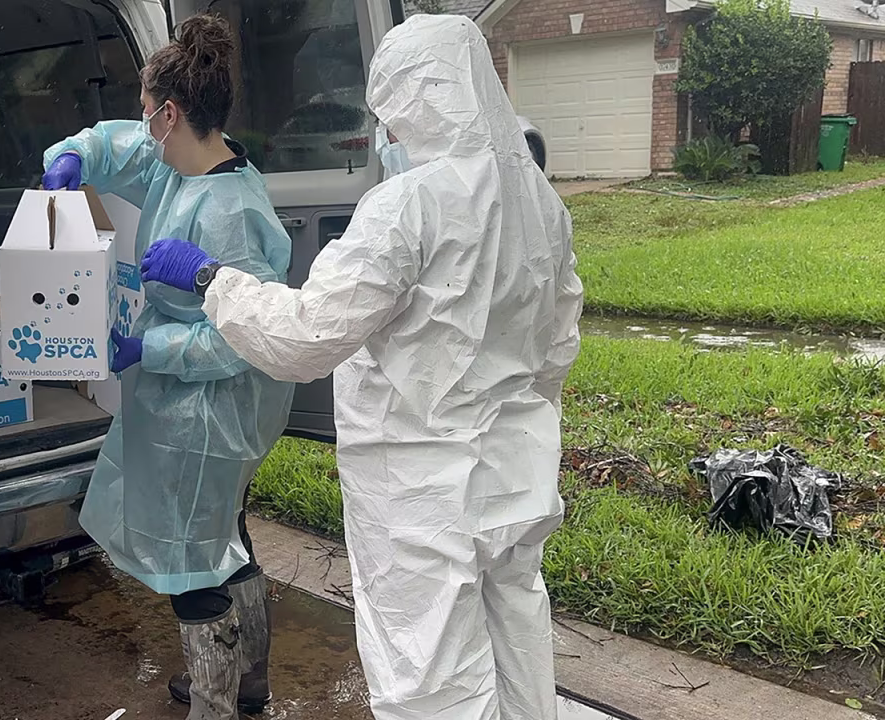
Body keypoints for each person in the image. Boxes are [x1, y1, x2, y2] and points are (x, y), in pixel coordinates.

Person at [140, 14, 583, 720]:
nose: (388, 135)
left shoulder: (408, 205)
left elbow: (307, 336)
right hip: (512, 471)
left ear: (415, 99)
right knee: (515, 639)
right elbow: (559, 346)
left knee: (429, 675)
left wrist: (209, 281)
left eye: (391, 117)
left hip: (418, 484)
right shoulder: (541, 203)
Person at [40, 14, 295, 720]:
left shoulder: (229, 212)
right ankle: (248, 685)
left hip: (211, 410)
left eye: (145, 107)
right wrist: (75, 156)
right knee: (225, 537)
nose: (139, 119)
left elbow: (239, 340)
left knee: (193, 560)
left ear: (170, 112)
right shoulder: (180, 160)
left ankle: (214, 704)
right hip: (184, 400)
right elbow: (116, 147)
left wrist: (145, 348)